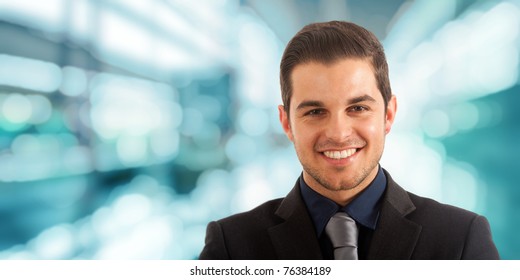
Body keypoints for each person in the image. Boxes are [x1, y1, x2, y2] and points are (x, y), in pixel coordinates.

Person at [199, 21, 499, 260]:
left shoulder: (460, 239)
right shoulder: (232, 246)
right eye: (315, 111)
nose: (339, 133)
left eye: (357, 108)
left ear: (388, 115)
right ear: (287, 124)